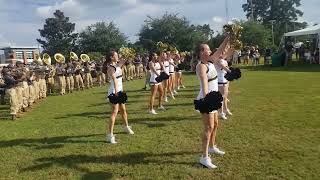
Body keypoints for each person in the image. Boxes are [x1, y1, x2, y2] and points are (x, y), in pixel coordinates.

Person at [195, 38, 229, 169]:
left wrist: (229, 37)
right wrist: (206, 99)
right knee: (208, 128)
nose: (209, 50)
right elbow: (204, 82)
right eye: (206, 49)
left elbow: (220, 49)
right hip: (206, 99)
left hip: (213, 98)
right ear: (201, 52)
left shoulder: (210, 62)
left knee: (215, 124)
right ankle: (204, 157)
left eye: (209, 49)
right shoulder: (201, 66)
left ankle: (212, 147)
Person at [105, 50, 134, 144]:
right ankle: (110, 135)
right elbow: (115, 81)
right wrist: (117, 93)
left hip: (120, 91)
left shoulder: (118, 65)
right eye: (116, 55)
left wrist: (127, 53)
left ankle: (126, 127)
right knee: (114, 112)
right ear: (111, 57)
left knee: (123, 110)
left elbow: (125, 60)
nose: (118, 56)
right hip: (114, 91)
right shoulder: (110, 67)